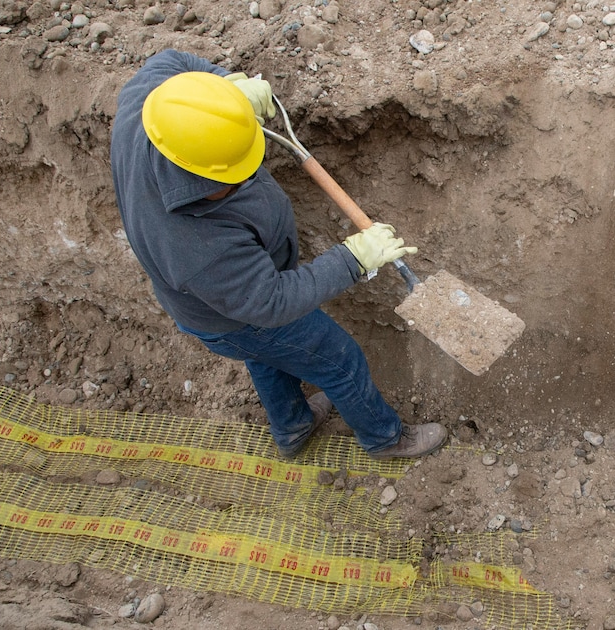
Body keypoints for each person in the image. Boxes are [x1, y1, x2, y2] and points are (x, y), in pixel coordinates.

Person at [109, 49, 447, 460]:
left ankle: (293, 426)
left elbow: (170, 59)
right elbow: (271, 302)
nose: (251, 172)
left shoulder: (151, 106)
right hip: (232, 317)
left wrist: (227, 90)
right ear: (199, 173)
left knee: (267, 355)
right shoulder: (194, 243)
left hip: (233, 302)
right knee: (338, 359)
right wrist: (352, 259)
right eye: (235, 177)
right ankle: (385, 438)